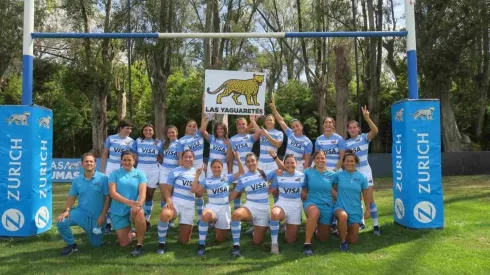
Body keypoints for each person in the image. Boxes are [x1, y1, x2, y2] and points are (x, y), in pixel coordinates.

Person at [191, 151, 245, 256]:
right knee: (205, 215)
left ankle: (214, 223)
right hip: (212, 206)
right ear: (211, 169)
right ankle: (201, 245)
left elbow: (241, 173)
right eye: (214, 167)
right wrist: (197, 175)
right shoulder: (206, 180)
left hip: (224, 208)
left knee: (220, 239)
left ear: (222, 168)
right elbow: (194, 190)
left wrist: (238, 158)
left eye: (219, 167)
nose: (216, 169)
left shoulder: (226, 177)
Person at [56, 152, 110, 256]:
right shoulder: (77, 180)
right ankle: (71, 245)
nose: (88, 163)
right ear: (82, 164)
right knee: (61, 221)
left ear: (95, 164)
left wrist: (103, 216)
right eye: (86, 161)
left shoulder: (103, 178)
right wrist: (67, 210)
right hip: (81, 213)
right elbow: (72, 197)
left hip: (97, 217)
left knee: (96, 245)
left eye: (91, 161)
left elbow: (108, 198)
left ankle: (95, 235)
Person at [228, 153, 275, 258]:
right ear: (246, 164)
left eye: (253, 160)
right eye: (248, 162)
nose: (251, 163)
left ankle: (255, 229)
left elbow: (281, 170)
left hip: (264, 209)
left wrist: (275, 157)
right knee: (236, 214)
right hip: (250, 206)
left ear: (257, 162)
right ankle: (236, 246)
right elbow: (235, 193)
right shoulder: (243, 178)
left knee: (257, 242)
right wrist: (223, 201)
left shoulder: (265, 173)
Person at [156, 150, 201, 254]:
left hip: (189, 206)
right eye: (186, 157)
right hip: (176, 203)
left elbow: (197, 192)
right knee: (165, 214)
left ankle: (181, 228)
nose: (188, 159)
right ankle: (161, 243)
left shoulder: (197, 172)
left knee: (185, 241)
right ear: (182, 159)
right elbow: (168, 189)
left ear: (193, 159)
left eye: (190, 157)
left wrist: (198, 176)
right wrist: (168, 199)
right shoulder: (175, 171)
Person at [346, 106, 380, 235]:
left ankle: (376, 225)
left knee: (369, 199)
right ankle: (361, 222)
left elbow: (375, 131)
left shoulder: (364, 138)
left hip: (365, 170)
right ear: (348, 130)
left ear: (358, 129)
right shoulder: (346, 143)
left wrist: (367, 118)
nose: (353, 129)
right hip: (353, 172)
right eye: (350, 128)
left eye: (355, 127)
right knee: (356, 198)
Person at [108, 150, 148, 257]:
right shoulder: (114, 174)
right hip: (118, 211)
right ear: (121, 161)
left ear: (134, 161)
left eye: (129, 160)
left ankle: (140, 245)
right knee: (124, 243)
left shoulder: (140, 174)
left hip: (133, 209)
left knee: (139, 211)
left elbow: (143, 194)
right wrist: (128, 202)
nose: (127, 162)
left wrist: (138, 204)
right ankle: (136, 232)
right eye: (124, 160)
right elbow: (112, 193)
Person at [333, 151, 372, 251]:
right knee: (342, 216)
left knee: (353, 239)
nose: (349, 163)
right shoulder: (338, 175)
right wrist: (336, 195)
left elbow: (366, 194)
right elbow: (330, 187)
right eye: (347, 161)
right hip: (340, 207)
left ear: (356, 163)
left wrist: (367, 209)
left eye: (352, 161)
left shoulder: (362, 177)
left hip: (355, 210)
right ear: (343, 163)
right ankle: (342, 242)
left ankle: (341, 232)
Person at [101, 119, 135, 232]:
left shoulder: (131, 141)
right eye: (127, 128)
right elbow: (105, 154)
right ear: (120, 128)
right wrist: (102, 171)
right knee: (108, 194)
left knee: (120, 194)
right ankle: (107, 222)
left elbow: (133, 158)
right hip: (111, 167)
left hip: (123, 169)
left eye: (130, 129)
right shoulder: (111, 138)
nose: (129, 131)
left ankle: (125, 219)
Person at [268, 151, 305, 255]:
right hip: (283, 203)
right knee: (275, 213)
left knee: (291, 240)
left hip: (296, 205)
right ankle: (274, 244)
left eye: (292, 162)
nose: (290, 165)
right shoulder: (279, 175)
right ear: (284, 164)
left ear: (296, 164)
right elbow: (272, 190)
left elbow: (306, 190)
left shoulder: (302, 176)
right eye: (287, 163)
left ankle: (286, 227)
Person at [302, 150, 336, 256]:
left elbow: (335, 191)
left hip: (327, 205)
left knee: (323, 238)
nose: (320, 160)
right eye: (318, 158)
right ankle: (307, 243)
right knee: (314, 212)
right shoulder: (307, 172)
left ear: (326, 159)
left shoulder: (333, 174)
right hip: (311, 202)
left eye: (322, 158)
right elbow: (303, 188)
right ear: (314, 160)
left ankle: (315, 229)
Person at [133, 124, 163, 229]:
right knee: (140, 195)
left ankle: (147, 220)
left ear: (153, 132)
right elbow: (134, 156)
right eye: (146, 130)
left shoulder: (158, 142)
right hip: (141, 169)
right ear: (143, 131)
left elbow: (161, 155)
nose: (148, 132)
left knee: (149, 195)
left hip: (154, 170)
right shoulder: (137, 141)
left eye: (150, 130)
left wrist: (157, 161)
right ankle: (137, 218)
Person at [269, 100, 312, 171]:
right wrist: (274, 108)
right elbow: (280, 121)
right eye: (293, 127)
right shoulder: (290, 134)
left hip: (298, 169)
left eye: (297, 126)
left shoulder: (308, 142)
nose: (296, 128)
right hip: (285, 166)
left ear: (301, 126)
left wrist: (303, 174)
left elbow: (307, 161)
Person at [229, 116, 261, 211]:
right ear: (236, 126)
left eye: (243, 124)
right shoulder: (232, 139)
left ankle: (250, 214)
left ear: (247, 126)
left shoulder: (250, 137)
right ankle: (237, 215)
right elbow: (231, 156)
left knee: (250, 192)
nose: (241, 126)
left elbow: (259, 132)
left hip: (249, 167)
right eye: (239, 124)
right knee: (237, 193)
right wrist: (230, 169)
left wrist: (253, 121)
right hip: (236, 167)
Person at [177, 120, 206, 221]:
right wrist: (181, 170)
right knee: (188, 191)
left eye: (194, 126)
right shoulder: (181, 141)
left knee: (199, 193)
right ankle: (182, 214)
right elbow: (180, 157)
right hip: (188, 168)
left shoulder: (199, 135)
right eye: (190, 126)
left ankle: (200, 217)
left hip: (200, 167)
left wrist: (208, 117)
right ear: (186, 127)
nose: (192, 128)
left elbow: (203, 127)